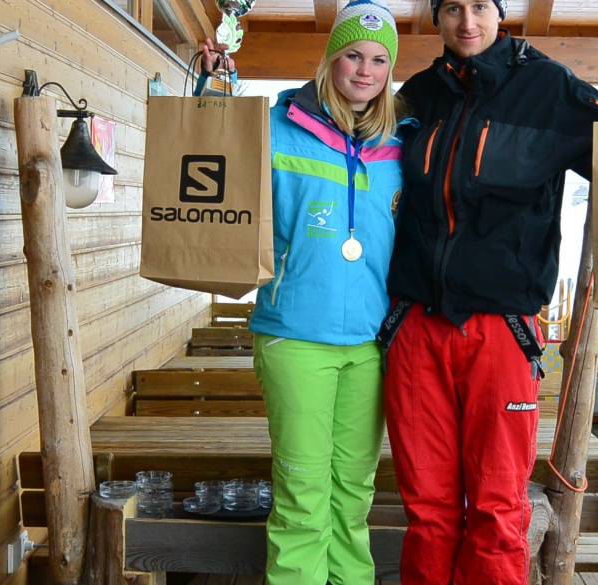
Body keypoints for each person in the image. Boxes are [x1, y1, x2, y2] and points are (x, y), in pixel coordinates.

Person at [379, 1, 598, 584]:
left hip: (502, 327)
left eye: (480, 7)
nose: (467, 22)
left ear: (501, 14)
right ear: (436, 18)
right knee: (427, 511)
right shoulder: (417, 95)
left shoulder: (547, 87)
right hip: (415, 325)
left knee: (496, 508)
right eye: (452, 8)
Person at [196, 1, 407, 583]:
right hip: (295, 337)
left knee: (353, 494)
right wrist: (210, 90)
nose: (365, 71)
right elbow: (214, 150)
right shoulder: (275, 128)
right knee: (302, 493)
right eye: (353, 55)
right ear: (330, 59)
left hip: (371, 344)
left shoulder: (402, 141)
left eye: (379, 61)